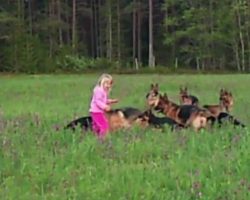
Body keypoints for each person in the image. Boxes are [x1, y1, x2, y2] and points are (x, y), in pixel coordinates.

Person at [89, 74, 118, 139]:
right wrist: (105, 107)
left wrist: (111, 101)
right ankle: (102, 139)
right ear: (102, 82)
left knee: (96, 126)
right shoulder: (99, 90)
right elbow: (98, 101)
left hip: (95, 111)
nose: (108, 85)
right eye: (106, 83)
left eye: (110, 84)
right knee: (104, 125)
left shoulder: (103, 91)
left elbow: (103, 100)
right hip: (96, 111)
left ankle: (96, 137)